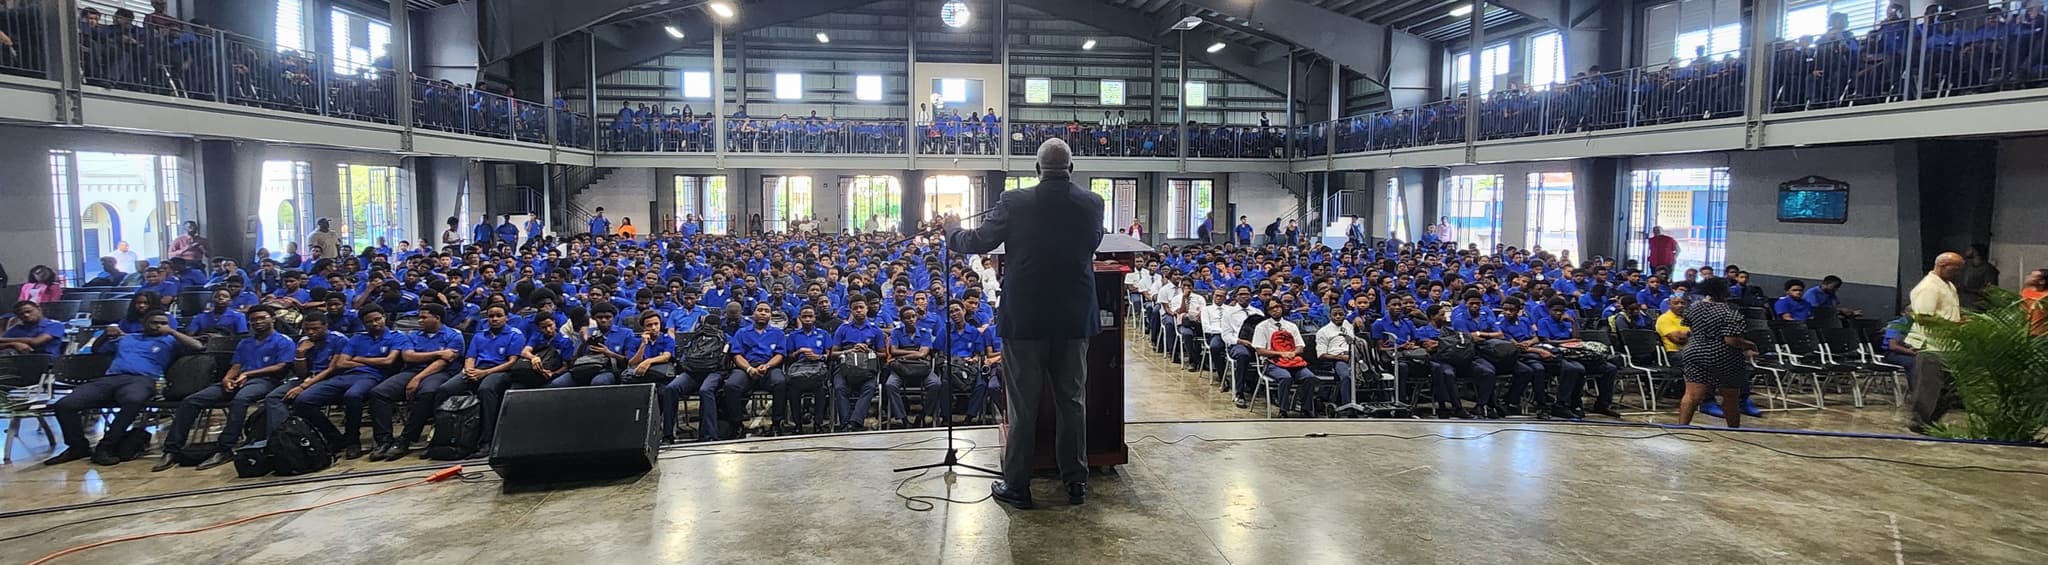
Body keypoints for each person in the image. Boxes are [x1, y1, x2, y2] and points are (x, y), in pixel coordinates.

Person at [945, 138, 1105, 509]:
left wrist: (952, 230)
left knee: (1023, 405)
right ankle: (1076, 483)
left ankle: (1018, 486)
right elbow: (1092, 243)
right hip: (1073, 319)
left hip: (1026, 320)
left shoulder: (1015, 202)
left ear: (1036, 169)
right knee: (1073, 402)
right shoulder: (1092, 203)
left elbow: (979, 240)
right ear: (1071, 169)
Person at [46, 310, 201, 466]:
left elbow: (198, 347)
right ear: (144, 324)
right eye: (154, 322)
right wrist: (105, 335)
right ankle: (77, 447)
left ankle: (106, 446)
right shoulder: (128, 338)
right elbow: (96, 349)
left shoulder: (170, 341)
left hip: (142, 380)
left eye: (163, 323)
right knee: (64, 404)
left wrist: (173, 332)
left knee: (133, 400)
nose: (158, 326)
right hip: (110, 379)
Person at [154, 305, 295, 471]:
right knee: (192, 400)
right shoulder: (245, 342)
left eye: (262, 318)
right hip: (238, 380)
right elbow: (236, 365)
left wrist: (249, 374)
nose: (258, 322)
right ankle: (171, 449)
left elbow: (281, 367)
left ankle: (225, 448)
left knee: (240, 399)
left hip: (265, 381)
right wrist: (227, 379)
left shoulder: (283, 341)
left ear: (273, 319)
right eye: (254, 319)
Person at [1674, 277, 1757, 428]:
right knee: (1730, 395)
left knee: (1692, 395)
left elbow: (1690, 329)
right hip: (1723, 356)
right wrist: (1749, 344)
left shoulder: (1694, 308)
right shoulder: (1730, 312)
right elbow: (1731, 340)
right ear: (1725, 292)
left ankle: (1681, 428)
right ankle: (1733, 430)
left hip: (1694, 352)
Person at [1906, 252, 1965, 434]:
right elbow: (1923, 318)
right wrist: (1954, 324)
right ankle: (1920, 422)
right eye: (1955, 269)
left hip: (1949, 344)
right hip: (1932, 343)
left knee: (1950, 389)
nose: (1957, 273)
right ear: (1942, 266)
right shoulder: (1929, 287)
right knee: (1929, 386)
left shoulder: (1949, 286)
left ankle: (1932, 420)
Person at [1, 301, 66, 356]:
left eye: (29, 311)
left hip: (47, 363)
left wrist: (3, 340)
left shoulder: (54, 325)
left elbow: (36, 341)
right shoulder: (17, 328)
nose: (26, 315)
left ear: (39, 309)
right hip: (20, 363)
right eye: (21, 314)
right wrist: (12, 344)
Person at [1958, 243, 1999, 310]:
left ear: (1976, 252)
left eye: (1969, 249)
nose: (1966, 251)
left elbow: (1990, 290)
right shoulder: (1967, 266)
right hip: (1963, 303)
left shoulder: (1989, 269)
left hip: (1977, 305)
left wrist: (1969, 289)